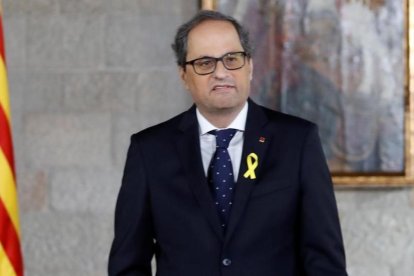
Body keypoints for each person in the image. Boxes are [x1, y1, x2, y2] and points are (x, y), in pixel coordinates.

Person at [108, 10, 348, 276]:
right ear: (183, 75)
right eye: (204, 63)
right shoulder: (149, 150)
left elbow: (325, 262)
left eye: (232, 59)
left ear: (250, 66)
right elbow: (127, 264)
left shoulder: (298, 141)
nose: (220, 73)